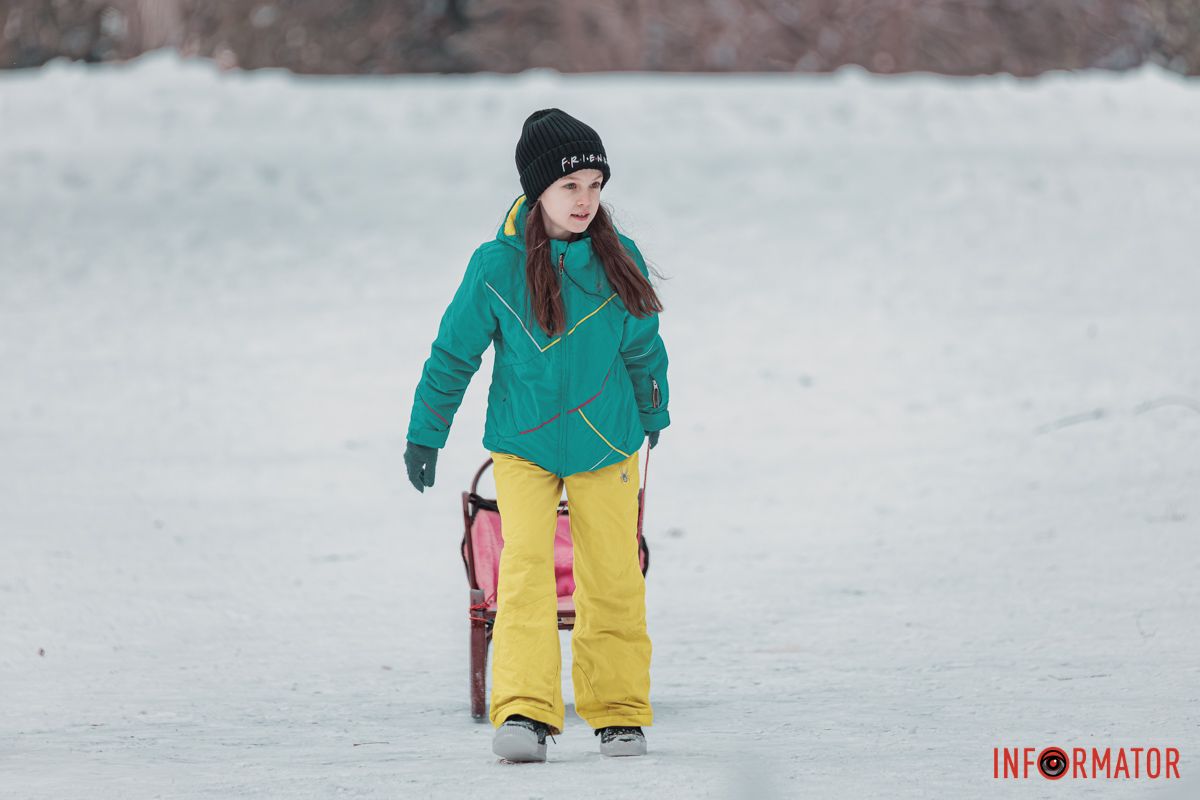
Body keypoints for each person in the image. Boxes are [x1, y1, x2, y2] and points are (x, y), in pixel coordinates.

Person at [403, 108, 670, 762]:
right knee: (524, 571)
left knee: (613, 576)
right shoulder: (496, 267)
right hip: (523, 444)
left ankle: (618, 713)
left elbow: (643, 348)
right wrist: (426, 434)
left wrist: (653, 414)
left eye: (595, 186)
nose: (585, 200)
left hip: (607, 443)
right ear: (537, 190)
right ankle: (524, 712)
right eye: (569, 186)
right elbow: (453, 355)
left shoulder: (619, 259)